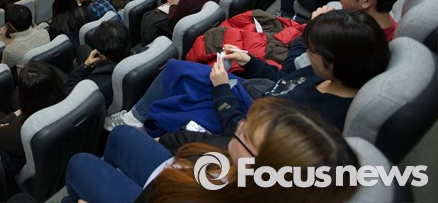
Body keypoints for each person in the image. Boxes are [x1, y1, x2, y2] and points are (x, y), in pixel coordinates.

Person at [107, 9, 389, 135]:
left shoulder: (321, 117)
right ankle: (135, 117)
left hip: (241, 116)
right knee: (175, 69)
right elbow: (282, 81)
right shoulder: (328, 76)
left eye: (312, 51)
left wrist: (222, 89)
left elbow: (244, 133)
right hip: (253, 95)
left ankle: (135, 123)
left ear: (334, 60)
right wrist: (248, 59)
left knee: (173, 100)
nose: (307, 55)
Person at [66, 98, 359, 203]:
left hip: (163, 192)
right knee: (120, 134)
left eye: (246, 132)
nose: (240, 125)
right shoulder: (248, 175)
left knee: (80, 163)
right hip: (175, 179)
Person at [0, 61, 67, 175]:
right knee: (14, 95)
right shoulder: (72, 96)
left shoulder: (22, 128)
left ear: (26, 100)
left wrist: (15, 115)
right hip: (57, 150)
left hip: (28, 159)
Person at [65, 19, 131, 106]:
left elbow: (68, 90)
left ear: (103, 56)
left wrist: (86, 66)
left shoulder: (93, 86)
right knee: (83, 48)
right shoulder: (140, 54)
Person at [0, 3, 50, 70]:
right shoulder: (44, 32)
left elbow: (4, 68)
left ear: (10, 26)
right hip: (47, 70)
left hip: (27, 75)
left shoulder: (10, 50)